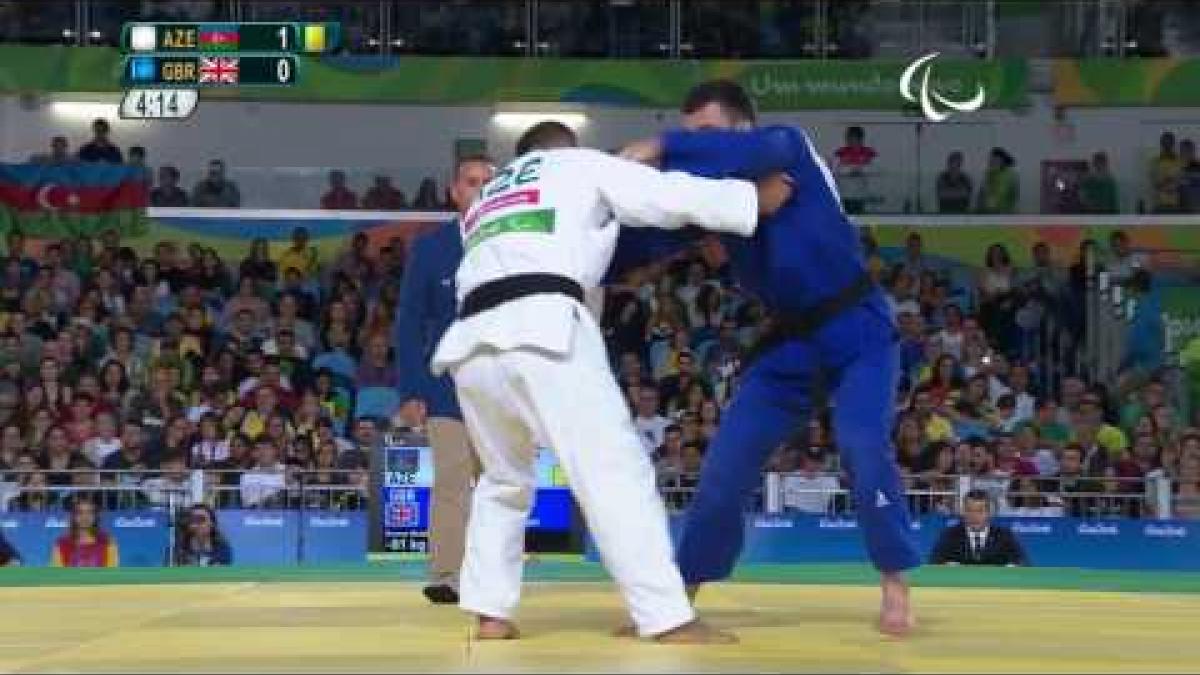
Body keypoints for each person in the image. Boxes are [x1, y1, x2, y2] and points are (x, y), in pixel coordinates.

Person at [431, 121, 786, 643]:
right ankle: (667, 616)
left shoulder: (491, 197)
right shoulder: (578, 164)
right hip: (542, 327)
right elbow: (665, 196)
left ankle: (490, 613)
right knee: (614, 471)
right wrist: (751, 201)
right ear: (567, 149)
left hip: (472, 344)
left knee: (503, 482)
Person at [617, 79, 920, 636]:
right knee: (721, 473)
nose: (697, 146)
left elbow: (765, 151)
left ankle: (895, 581)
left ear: (741, 129)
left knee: (860, 444)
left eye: (707, 134)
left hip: (859, 329)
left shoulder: (788, 148)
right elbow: (643, 245)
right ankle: (681, 593)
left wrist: (661, 147)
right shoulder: (714, 201)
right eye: (690, 136)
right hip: (789, 346)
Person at [394, 154, 494, 605]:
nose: (480, 190)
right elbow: (410, 321)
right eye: (471, 182)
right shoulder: (431, 248)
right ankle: (448, 575)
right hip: (445, 384)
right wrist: (412, 389)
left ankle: (494, 574)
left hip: (503, 386)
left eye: (489, 183)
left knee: (501, 485)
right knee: (452, 480)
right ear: (454, 191)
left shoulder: (518, 244)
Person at [929, 489, 1028, 566]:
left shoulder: (1004, 536)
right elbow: (934, 562)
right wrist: (945, 566)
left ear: (989, 513)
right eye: (969, 510)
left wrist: (1013, 567)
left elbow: (1023, 562)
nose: (974, 516)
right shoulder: (950, 535)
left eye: (980, 511)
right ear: (963, 512)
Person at [51, 495, 119, 567]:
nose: (85, 517)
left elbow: (112, 573)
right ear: (73, 517)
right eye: (80, 512)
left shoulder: (108, 541)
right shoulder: (61, 543)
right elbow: (56, 574)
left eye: (89, 512)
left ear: (95, 516)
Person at [831, 125, 876, 214]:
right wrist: (851, 169)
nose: (852, 141)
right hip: (844, 194)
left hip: (861, 194)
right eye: (849, 138)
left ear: (861, 139)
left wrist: (861, 169)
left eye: (855, 138)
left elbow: (877, 169)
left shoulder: (869, 153)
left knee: (861, 220)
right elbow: (834, 170)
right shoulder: (840, 153)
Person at [976, 147, 1019, 214]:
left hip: (1004, 213)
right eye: (991, 159)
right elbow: (982, 193)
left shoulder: (1010, 175)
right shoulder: (988, 173)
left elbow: (1007, 195)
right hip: (987, 212)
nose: (991, 161)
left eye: (994, 159)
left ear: (1002, 160)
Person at [1149, 131, 1183, 214]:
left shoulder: (1181, 162)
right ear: (1161, 144)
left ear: (1173, 144)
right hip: (1159, 205)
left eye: (1170, 143)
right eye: (1165, 143)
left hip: (1177, 205)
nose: (1167, 145)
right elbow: (1156, 184)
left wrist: (1167, 180)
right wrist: (1170, 179)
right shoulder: (1154, 162)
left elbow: (1180, 183)